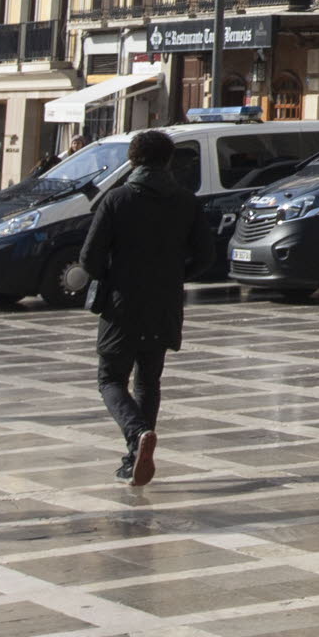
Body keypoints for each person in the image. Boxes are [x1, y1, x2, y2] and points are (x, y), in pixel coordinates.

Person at [75, 129, 208, 488]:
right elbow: (204, 258)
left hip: (122, 305)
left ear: (132, 160)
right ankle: (134, 457)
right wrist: (173, 276)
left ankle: (137, 435)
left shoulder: (117, 199)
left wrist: (112, 277)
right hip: (164, 303)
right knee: (149, 379)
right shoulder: (186, 201)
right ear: (168, 161)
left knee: (110, 378)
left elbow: (89, 258)